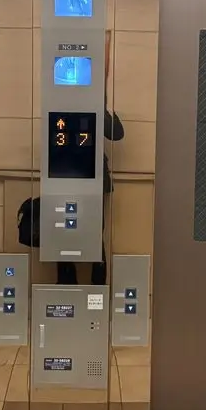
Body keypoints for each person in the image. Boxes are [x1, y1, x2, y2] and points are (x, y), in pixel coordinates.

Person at [58, 31, 122, 285]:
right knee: (73, 232)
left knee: (86, 233)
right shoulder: (68, 107)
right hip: (74, 177)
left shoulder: (82, 106)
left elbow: (116, 133)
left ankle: (86, 286)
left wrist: (105, 110)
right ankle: (79, 285)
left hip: (81, 178)